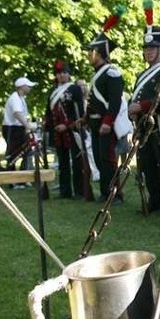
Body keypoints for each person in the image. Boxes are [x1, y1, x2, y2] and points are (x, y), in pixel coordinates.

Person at [128, 24, 160, 215]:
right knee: (147, 164)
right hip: (143, 125)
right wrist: (132, 111)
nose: (149, 52)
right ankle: (154, 199)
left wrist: (141, 106)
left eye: (153, 48)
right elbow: (135, 98)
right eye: (146, 48)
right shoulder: (141, 74)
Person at [85, 25, 125, 204]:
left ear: (99, 53)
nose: (88, 55)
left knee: (108, 159)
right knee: (100, 159)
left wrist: (108, 122)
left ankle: (114, 193)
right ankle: (105, 191)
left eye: (91, 52)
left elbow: (115, 101)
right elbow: (94, 102)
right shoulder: (98, 75)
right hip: (96, 123)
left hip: (106, 124)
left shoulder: (112, 73)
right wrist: (85, 119)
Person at [43, 60, 86, 199]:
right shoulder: (52, 91)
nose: (61, 76)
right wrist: (48, 125)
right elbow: (49, 112)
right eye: (59, 73)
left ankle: (79, 191)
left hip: (72, 130)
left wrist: (67, 125)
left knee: (77, 161)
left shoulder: (74, 89)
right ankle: (65, 190)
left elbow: (79, 111)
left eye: (64, 73)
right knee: (63, 163)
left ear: (69, 74)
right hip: (57, 132)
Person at [2, 77, 36, 184]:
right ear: (22, 87)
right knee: (14, 154)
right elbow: (17, 114)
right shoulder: (15, 98)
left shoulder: (21, 98)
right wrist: (27, 125)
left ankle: (23, 178)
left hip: (18, 128)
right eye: (28, 86)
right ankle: (12, 180)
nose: (30, 88)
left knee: (25, 151)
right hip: (12, 129)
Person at [76, 78, 100, 182]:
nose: (83, 87)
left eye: (84, 85)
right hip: (82, 129)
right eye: (80, 85)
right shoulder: (77, 100)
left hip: (90, 128)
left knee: (91, 151)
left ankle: (96, 172)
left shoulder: (88, 100)